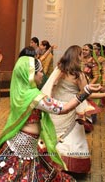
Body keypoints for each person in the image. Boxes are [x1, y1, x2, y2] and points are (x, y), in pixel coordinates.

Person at [0, 56, 101, 181]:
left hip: (23, 141)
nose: (42, 75)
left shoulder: (21, 92)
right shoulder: (34, 97)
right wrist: (86, 91)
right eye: (39, 72)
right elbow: (63, 108)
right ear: (30, 74)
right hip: (24, 145)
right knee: (17, 174)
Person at [42, 45, 105, 174]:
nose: (83, 57)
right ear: (77, 56)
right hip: (71, 107)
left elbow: (52, 84)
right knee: (71, 138)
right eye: (81, 54)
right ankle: (67, 166)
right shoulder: (79, 75)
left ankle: (48, 160)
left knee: (53, 133)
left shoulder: (60, 69)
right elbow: (87, 93)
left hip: (57, 107)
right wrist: (103, 94)